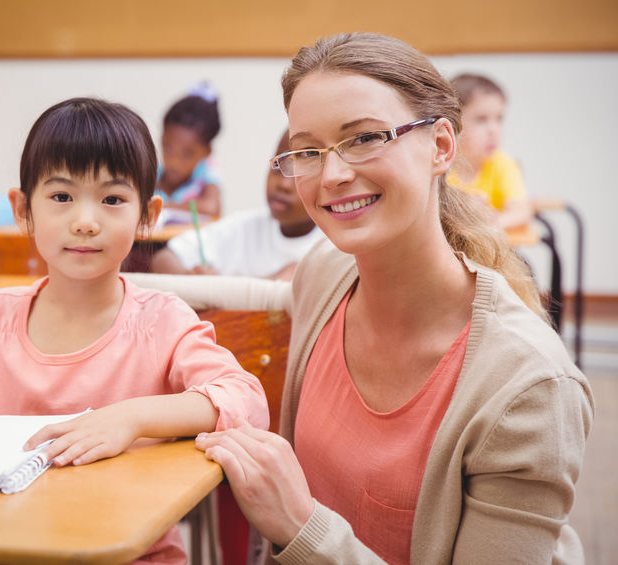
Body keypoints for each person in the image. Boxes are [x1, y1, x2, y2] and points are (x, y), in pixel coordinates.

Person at [178, 33, 591, 564]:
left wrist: (301, 526)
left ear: (441, 147)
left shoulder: (528, 387)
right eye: (307, 151)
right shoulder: (323, 277)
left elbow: (299, 519)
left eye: (365, 138)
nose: (331, 175)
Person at [0, 97, 269, 564]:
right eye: (61, 197)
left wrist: (132, 418)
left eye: (113, 199)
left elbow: (245, 400)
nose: (85, 222)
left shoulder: (163, 320)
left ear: (147, 214)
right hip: (9, 546)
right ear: (22, 210)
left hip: (135, 555)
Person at [151, 129, 322, 281]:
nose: (283, 185)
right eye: (278, 166)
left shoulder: (333, 246)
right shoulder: (244, 228)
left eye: (298, 173)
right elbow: (163, 259)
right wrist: (193, 281)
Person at [447, 73, 534, 230]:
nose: (494, 130)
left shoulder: (503, 164)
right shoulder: (440, 167)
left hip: (489, 250)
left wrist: (489, 223)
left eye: (499, 119)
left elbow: (521, 212)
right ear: (452, 122)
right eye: (481, 119)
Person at [156, 82, 222, 218]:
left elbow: (212, 208)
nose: (174, 161)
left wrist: (162, 206)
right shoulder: (154, 175)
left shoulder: (206, 174)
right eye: (167, 149)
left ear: (207, 152)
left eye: (187, 154)